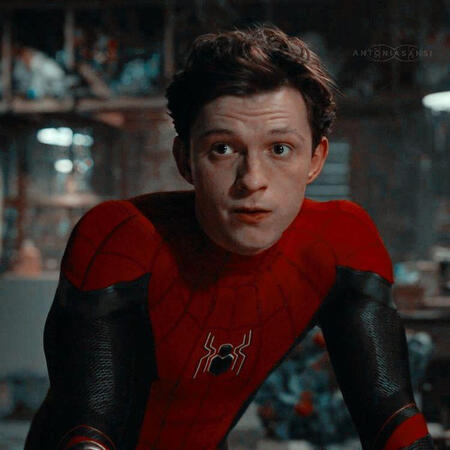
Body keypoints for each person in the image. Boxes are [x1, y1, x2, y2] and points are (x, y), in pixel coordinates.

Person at [25, 26, 433, 450]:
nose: (252, 180)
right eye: (222, 149)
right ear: (185, 160)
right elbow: (89, 426)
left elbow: (390, 411)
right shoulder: (122, 239)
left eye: (279, 149)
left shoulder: (339, 242)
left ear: (316, 160)